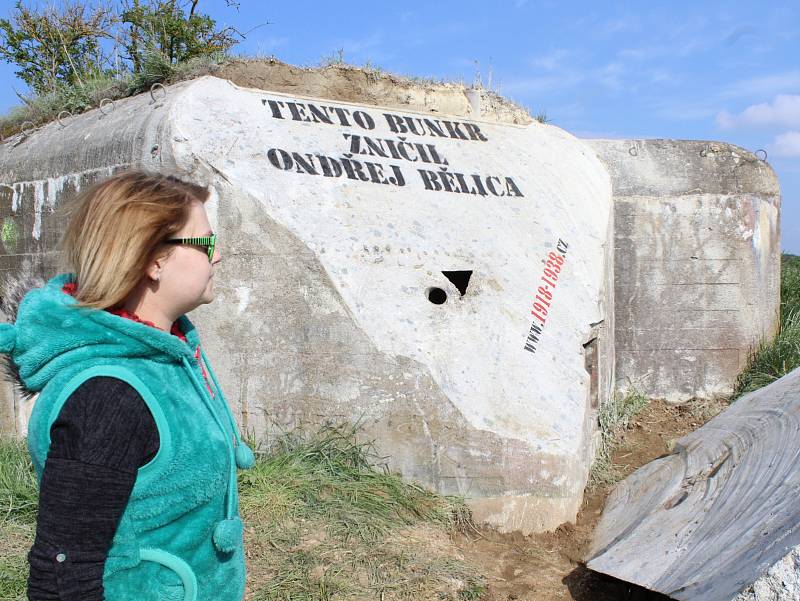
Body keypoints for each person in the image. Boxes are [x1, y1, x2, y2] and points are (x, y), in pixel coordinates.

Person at [0, 170, 255, 601]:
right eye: (206, 243)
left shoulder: (166, 353)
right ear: (154, 260)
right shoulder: (106, 395)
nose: (218, 256)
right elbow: (63, 575)